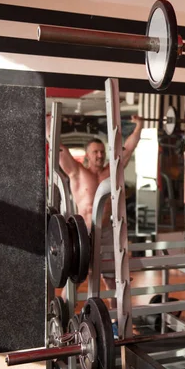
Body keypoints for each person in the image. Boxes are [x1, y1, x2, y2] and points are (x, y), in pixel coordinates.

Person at [47, 115, 144, 308]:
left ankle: (117, 322)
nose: (100, 155)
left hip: (107, 232)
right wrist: (49, 123)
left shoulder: (111, 172)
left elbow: (129, 149)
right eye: (95, 152)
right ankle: (65, 317)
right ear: (87, 156)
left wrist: (139, 126)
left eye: (102, 152)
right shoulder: (77, 172)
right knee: (75, 281)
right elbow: (59, 149)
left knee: (112, 280)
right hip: (84, 234)